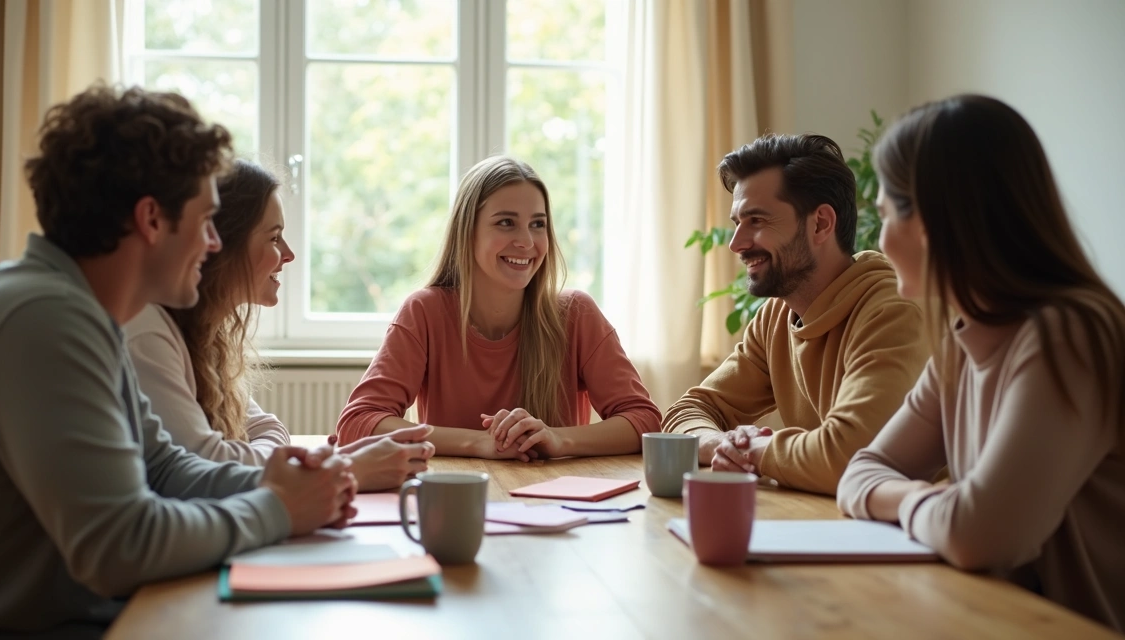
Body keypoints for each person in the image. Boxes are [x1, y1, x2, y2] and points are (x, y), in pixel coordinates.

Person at [0, 85, 356, 638]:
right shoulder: (44, 320)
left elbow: (165, 468)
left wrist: (275, 479)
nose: (214, 243)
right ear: (151, 219)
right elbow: (121, 546)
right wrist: (281, 510)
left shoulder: (77, 311)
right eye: (206, 219)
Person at [836, 95, 1125, 631]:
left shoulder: (1071, 333)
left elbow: (979, 536)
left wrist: (913, 502)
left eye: (885, 216)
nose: (879, 240)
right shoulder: (959, 342)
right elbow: (858, 473)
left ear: (929, 222)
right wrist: (931, 500)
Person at [125, 159, 433, 491]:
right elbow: (209, 466)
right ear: (223, 245)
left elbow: (268, 428)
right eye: (274, 238)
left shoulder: (206, 334)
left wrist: (320, 463)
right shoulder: (148, 333)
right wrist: (338, 467)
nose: (288, 254)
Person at [336, 155, 661, 460]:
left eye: (538, 224)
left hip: (555, 504)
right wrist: (479, 442)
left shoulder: (576, 313)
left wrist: (559, 439)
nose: (527, 241)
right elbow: (358, 423)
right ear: (468, 232)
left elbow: (645, 421)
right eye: (506, 222)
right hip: (458, 502)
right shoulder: (425, 312)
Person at [661, 133, 929, 495]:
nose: (736, 243)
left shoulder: (892, 313)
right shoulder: (776, 315)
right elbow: (689, 410)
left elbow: (850, 458)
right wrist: (715, 443)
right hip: (825, 521)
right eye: (737, 221)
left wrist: (754, 449)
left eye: (756, 220)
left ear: (820, 224)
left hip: (908, 539)